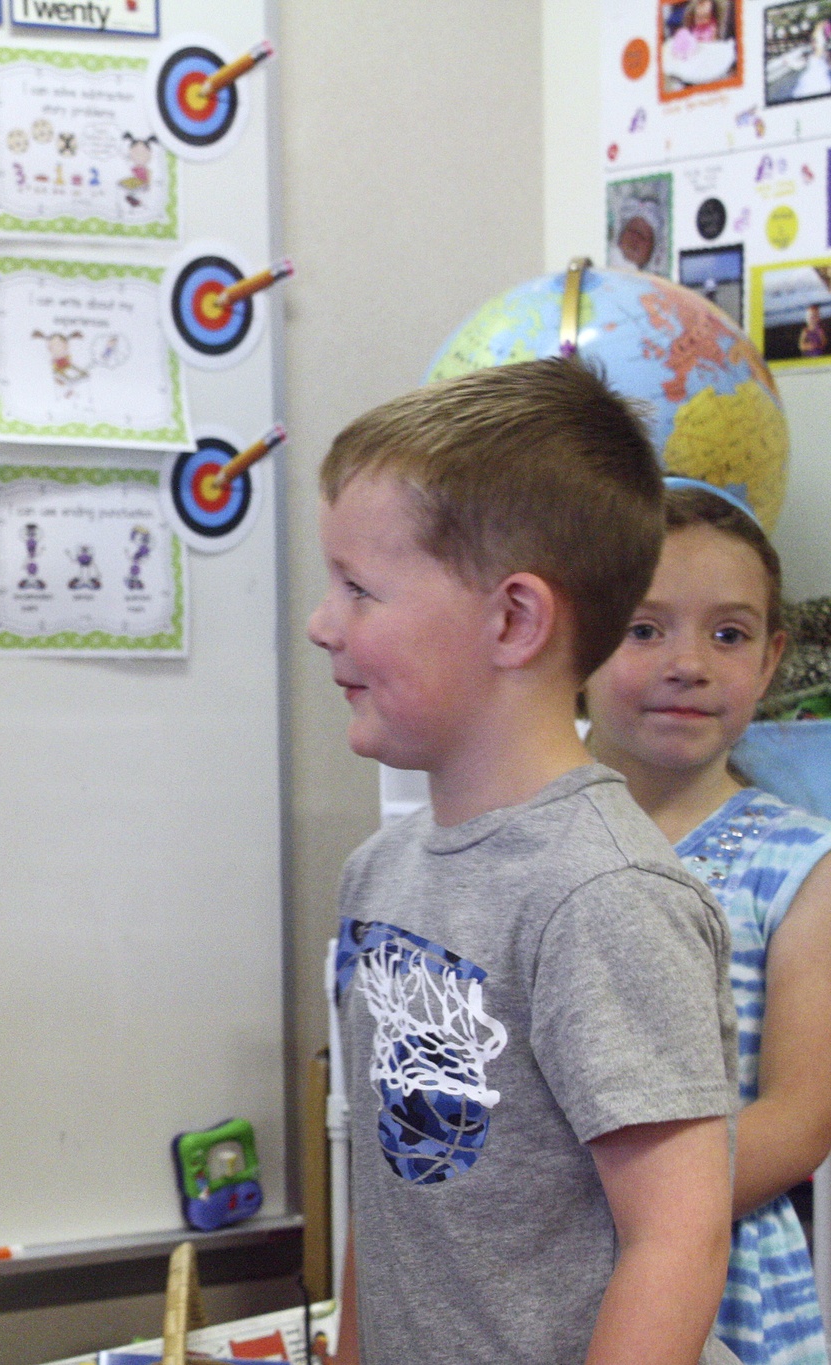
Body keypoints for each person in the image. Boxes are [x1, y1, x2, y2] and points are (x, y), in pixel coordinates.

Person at [310, 357, 740, 1365]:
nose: (321, 623)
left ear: (511, 620)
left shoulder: (603, 897)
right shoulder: (379, 873)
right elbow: (394, 1184)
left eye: (358, 589)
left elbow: (675, 1238)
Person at [587, 481, 831, 1365]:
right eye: (645, 627)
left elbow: (802, 1117)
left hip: (720, 1288)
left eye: (727, 634)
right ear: (576, 633)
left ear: (770, 660)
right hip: (518, 1273)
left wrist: (591, 1207)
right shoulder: (520, 833)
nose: (688, 661)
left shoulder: (803, 865)